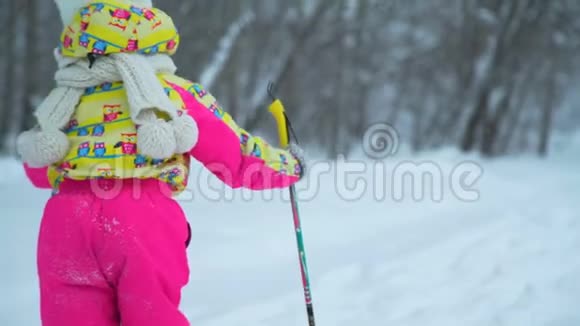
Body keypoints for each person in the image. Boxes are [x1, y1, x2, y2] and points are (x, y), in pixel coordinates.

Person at [16, 0, 305, 325]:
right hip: (141, 221)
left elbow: (37, 168)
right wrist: (288, 165)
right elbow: (237, 157)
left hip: (66, 223)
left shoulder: (65, 97)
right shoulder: (172, 93)